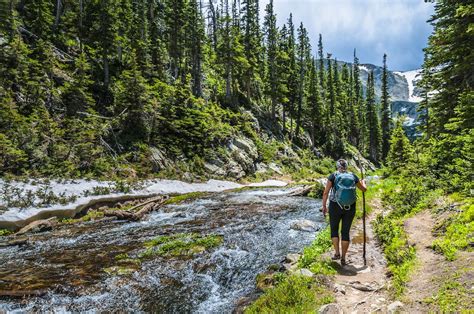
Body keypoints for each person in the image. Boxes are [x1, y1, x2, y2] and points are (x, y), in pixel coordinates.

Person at [322, 159, 367, 265]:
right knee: (345, 232)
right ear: (347, 166)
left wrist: (324, 206)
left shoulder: (333, 176)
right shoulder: (353, 176)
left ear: (337, 166)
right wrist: (363, 182)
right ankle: (343, 257)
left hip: (335, 205)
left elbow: (325, 192)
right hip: (350, 207)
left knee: (334, 230)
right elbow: (364, 189)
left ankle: (337, 253)